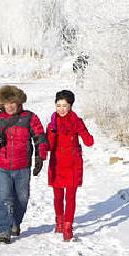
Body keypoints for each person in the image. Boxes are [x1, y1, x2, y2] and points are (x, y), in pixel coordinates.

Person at [0, 85, 48, 244]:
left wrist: (40, 158)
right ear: (1, 104)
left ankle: (15, 223)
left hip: (23, 166)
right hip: (2, 166)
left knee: (22, 198)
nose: (10, 106)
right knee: (4, 198)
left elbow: (40, 137)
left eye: (13, 102)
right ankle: (4, 230)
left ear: (19, 102)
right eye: (7, 103)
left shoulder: (29, 117)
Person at [46, 89, 94, 241]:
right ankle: (59, 222)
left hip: (73, 164)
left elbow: (89, 142)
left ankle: (67, 227)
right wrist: (52, 131)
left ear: (71, 106)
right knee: (58, 196)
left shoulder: (76, 122)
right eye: (58, 105)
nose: (61, 109)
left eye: (64, 105)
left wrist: (81, 129)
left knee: (71, 197)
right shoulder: (52, 123)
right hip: (57, 163)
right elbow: (48, 146)